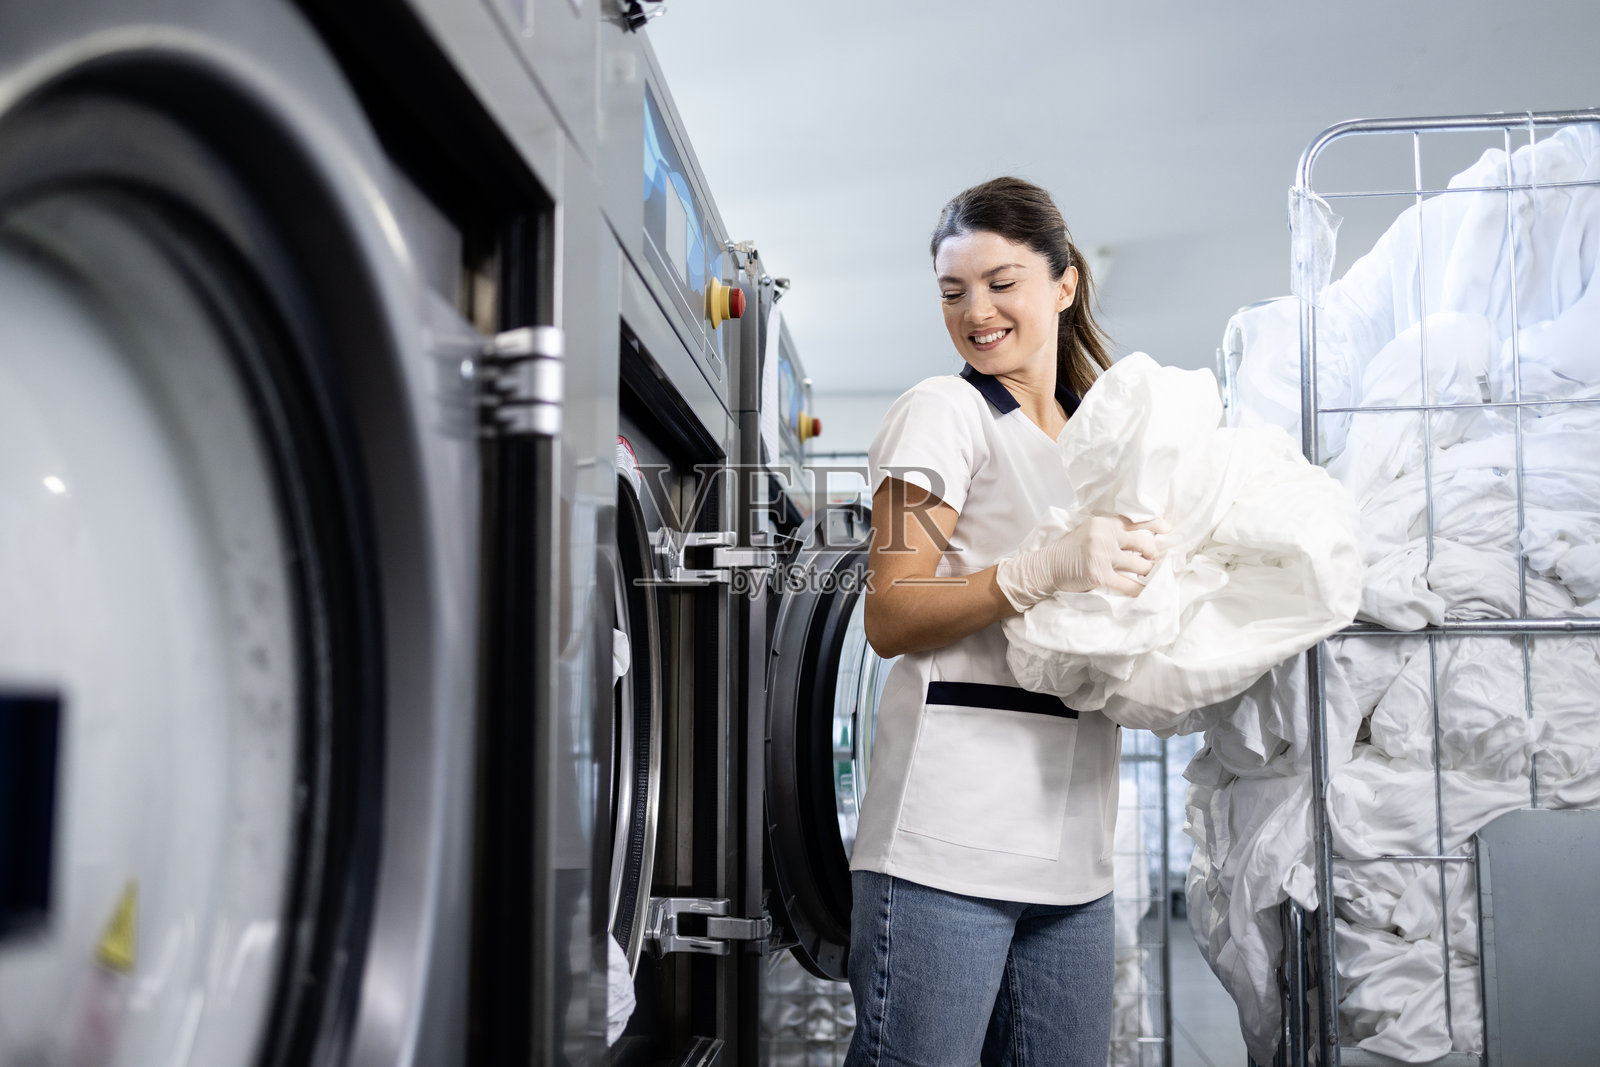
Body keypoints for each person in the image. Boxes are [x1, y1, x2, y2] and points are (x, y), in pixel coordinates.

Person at [845, 176, 1165, 1067]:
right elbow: (890, 611)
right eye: (953, 291)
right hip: (947, 847)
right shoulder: (940, 414)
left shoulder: (1098, 438)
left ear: (1064, 285)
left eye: (1000, 282)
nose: (975, 311)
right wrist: (1034, 572)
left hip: (1076, 853)